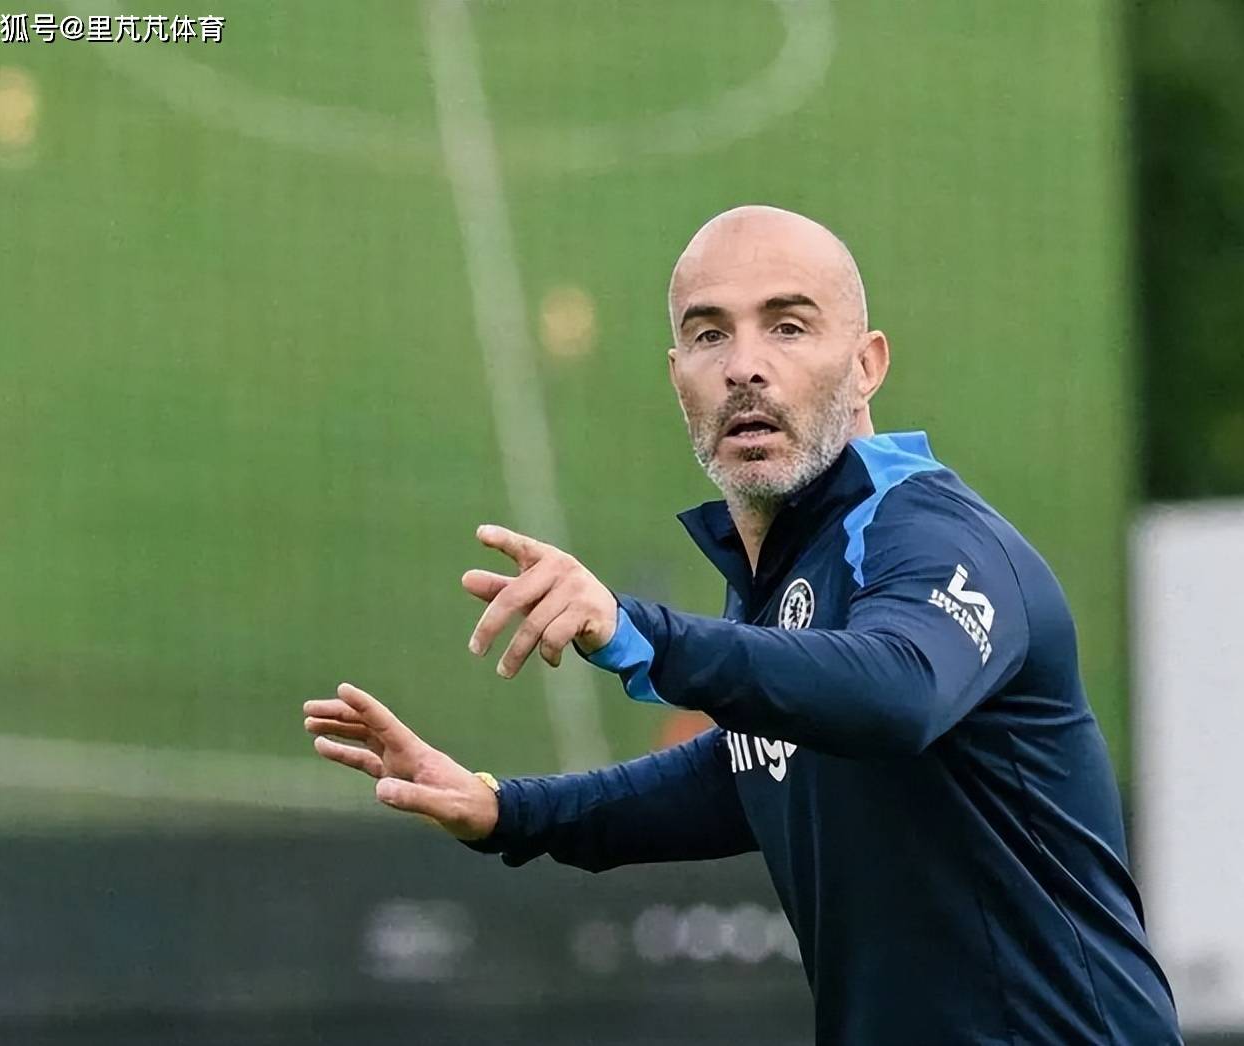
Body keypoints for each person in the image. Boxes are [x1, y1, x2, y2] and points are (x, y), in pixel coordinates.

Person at [302, 206, 1183, 1044]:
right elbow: (750, 769)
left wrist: (638, 632)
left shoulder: (932, 535)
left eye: (788, 327)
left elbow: (900, 691)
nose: (744, 367)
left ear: (867, 365)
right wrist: (504, 810)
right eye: (709, 334)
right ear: (677, 376)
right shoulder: (784, 567)